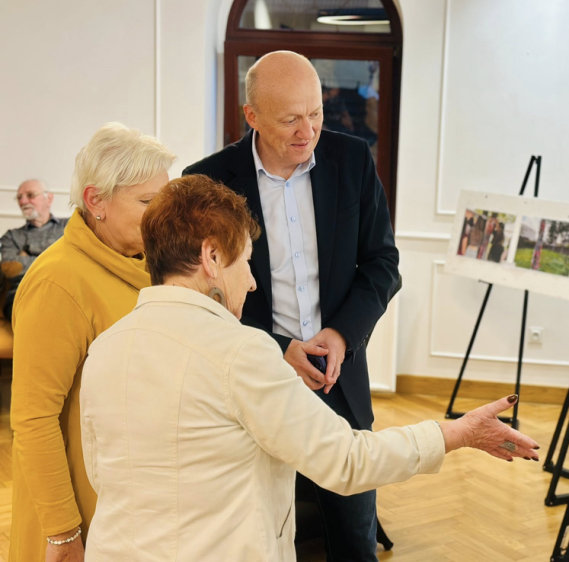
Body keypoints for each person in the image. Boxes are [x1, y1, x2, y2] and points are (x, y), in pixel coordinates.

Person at [79, 174, 541, 561]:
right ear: (212, 258)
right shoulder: (240, 353)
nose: (253, 280)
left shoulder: (104, 347)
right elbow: (346, 461)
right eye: (245, 262)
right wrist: (456, 434)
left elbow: (104, 475)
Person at [182, 50, 398, 558]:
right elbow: (201, 295)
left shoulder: (351, 160)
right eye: (290, 119)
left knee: (353, 539)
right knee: (263, 535)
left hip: (338, 379)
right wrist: (281, 348)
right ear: (251, 116)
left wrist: (342, 333)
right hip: (253, 381)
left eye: (316, 113)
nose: (308, 130)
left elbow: (382, 263)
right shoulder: (206, 182)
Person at [9, 123, 174, 562]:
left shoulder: (142, 263)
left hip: (130, 504)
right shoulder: (58, 282)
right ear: (95, 201)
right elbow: (33, 418)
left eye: (165, 200)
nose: (162, 215)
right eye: (146, 202)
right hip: (79, 515)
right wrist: (63, 532)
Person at [0, 179, 67, 319]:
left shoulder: (70, 226)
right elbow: (11, 269)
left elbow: (80, 262)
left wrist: (26, 256)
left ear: (49, 198)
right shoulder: (11, 236)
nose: (23, 201)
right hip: (23, 294)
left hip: (66, 290)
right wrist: (59, 260)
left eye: (30, 195)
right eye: (19, 197)